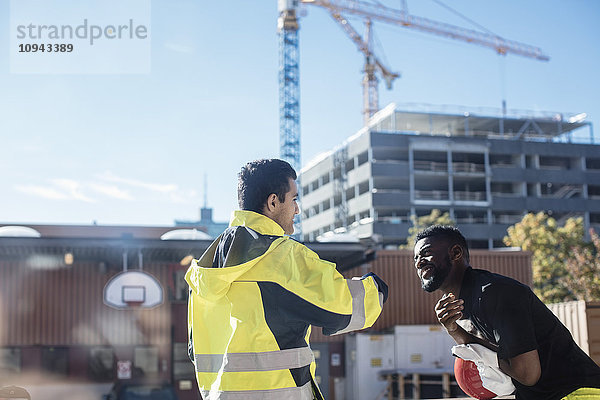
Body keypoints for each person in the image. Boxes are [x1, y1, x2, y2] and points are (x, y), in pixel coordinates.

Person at [185, 159, 388, 400]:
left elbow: (193, 349)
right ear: (273, 202)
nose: (297, 209)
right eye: (294, 199)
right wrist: (377, 286)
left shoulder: (206, 265)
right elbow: (346, 309)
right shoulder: (282, 256)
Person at [413, 225, 600, 400]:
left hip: (578, 393)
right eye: (415, 258)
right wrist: (452, 329)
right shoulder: (465, 302)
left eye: (426, 254)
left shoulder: (494, 292)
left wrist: (484, 355)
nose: (419, 262)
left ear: (455, 253)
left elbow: (527, 374)